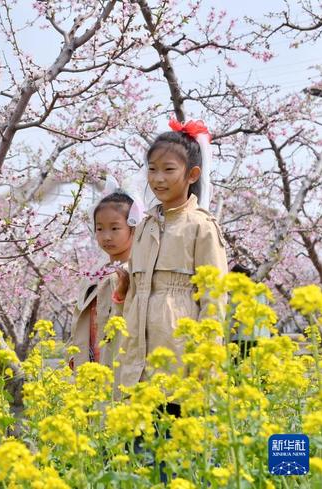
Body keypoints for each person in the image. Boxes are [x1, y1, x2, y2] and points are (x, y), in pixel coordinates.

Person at [113, 119, 229, 406]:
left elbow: (214, 299)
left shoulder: (201, 226)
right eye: (152, 169)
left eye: (168, 170)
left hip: (180, 360)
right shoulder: (144, 226)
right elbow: (134, 294)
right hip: (136, 364)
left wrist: (206, 363)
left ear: (192, 175)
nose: (158, 179)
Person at [70, 190, 140, 368]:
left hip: (120, 365)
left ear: (134, 227)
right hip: (91, 366)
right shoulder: (94, 275)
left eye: (115, 228)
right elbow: (80, 320)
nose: (106, 236)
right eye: (100, 228)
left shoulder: (137, 272)